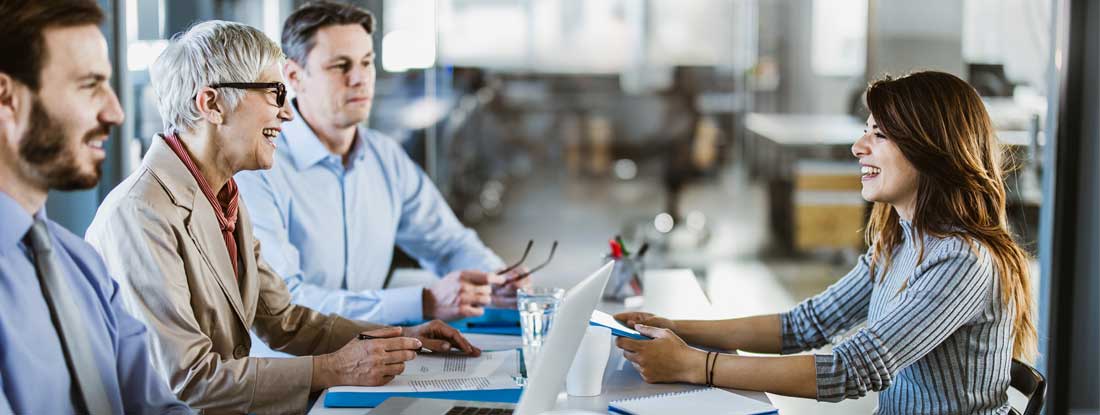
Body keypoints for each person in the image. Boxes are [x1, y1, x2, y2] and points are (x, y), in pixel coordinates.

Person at [85, 20, 478, 414]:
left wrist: (399, 338)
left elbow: (284, 320)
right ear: (211, 104)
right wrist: (329, 370)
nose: (287, 115)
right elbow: (188, 379)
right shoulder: (141, 214)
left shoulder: (223, 195)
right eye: (275, 95)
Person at [614, 71, 1037, 415]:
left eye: (880, 135)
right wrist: (674, 328)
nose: (858, 147)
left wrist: (696, 366)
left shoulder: (962, 261)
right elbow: (804, 325)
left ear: (932, 150)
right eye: (865, 132)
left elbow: (849, 370)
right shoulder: (902, 241)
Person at [234, 1, 528, 330]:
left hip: (370, 359)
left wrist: (498, 279)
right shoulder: (258, 167)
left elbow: (447, 243)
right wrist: (425, 301)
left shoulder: (383, 157)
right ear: (294, 76)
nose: (359, 79)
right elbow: (285, 303)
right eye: (340, 65)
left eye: (367, 62)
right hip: (292, 369)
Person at [0, 0, 191, 413]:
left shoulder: (81, 265)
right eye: (89, 85)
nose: (116, 112)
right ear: (6, 98)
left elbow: (156, 406)